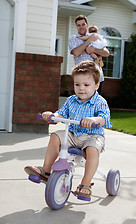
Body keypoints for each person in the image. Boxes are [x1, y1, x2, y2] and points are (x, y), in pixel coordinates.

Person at [24, 61, 112, 200]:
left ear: (96, 85)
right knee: (55, 136)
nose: (81, 88)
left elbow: (104, 118)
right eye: (77, 84)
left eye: (86, 85)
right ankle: (46, 171)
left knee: (92, 149)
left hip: (92, 136)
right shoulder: (71, 100)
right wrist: (52, 116)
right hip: (72, 135)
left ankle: (86, 184)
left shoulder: (100, 102)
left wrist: (94, 120)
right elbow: (61, 114)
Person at [69, 14, 110, 95]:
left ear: (87, 25)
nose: (81, 27)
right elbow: (76, 53)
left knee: (94, 104)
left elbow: (106, 53)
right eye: (78, 25)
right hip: (82, 79)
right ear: (76, 27)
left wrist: (93, 49)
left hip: (97, 77)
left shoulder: (94, 36)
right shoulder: (73, 39)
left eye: (83, 24)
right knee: (82, 104)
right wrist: (88, 41)